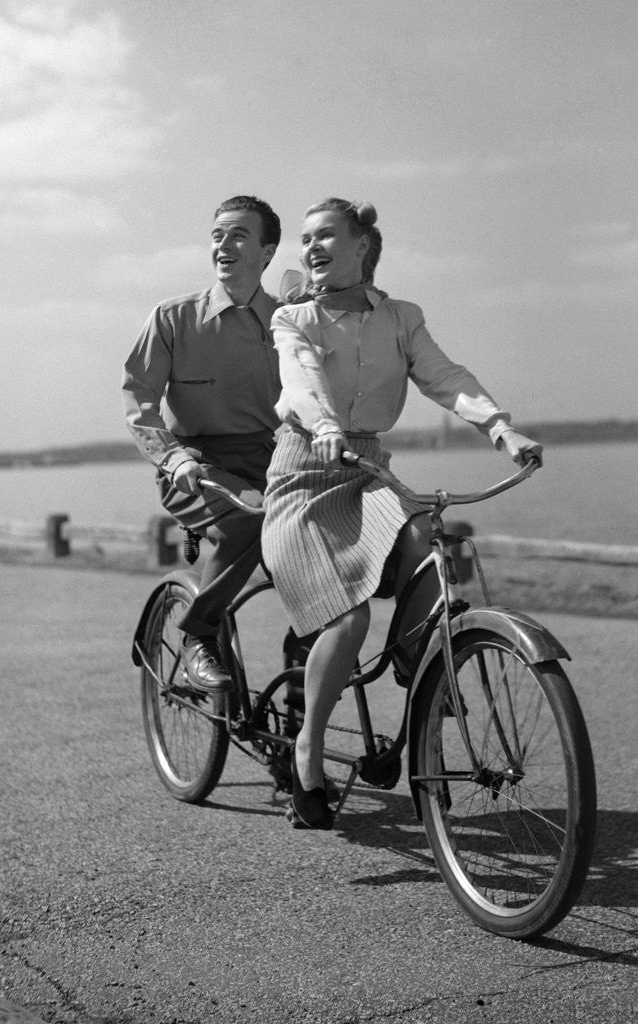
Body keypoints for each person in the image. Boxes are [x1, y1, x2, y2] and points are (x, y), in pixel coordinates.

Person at [261, 198, 543, 829]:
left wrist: (501, 429)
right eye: (305, 239)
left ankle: (418, 667)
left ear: (362, 245)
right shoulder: (293, 317)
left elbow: (445, 376)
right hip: (303, 471)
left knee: (428, 536)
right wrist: (325, 426)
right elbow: (301, 378)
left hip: (367, 467)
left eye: (325, 235)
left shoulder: (401, 317)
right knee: (349, 618)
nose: (310, 248)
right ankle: (308, 748)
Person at [122, 195, 282, 693]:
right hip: (194, 466)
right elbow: (139, 397)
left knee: (326, 554)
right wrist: (172, 458)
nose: (223, 245)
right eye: (217, 235)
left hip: (273, 462)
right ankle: (198, 634)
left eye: (238, 235)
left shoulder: (289, 320)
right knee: (253, 519)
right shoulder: (172, 318)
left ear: (268, 252)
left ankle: (302, 688)